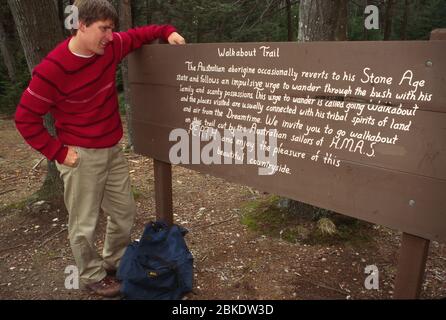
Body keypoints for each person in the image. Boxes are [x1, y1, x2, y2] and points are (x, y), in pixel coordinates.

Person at [14, 0, 185, 297]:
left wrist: (167, 31)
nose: (110, 36)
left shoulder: (110, 47)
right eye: (104, 29)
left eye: (112, 29)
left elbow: (142, 33)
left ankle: (115, 261)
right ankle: (92, 275)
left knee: (124, 213)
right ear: (81, 25)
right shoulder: (52, 68)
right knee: (84, 224)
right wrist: (58, 152)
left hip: (112, 150)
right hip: (80, 156)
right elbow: (25, 118)